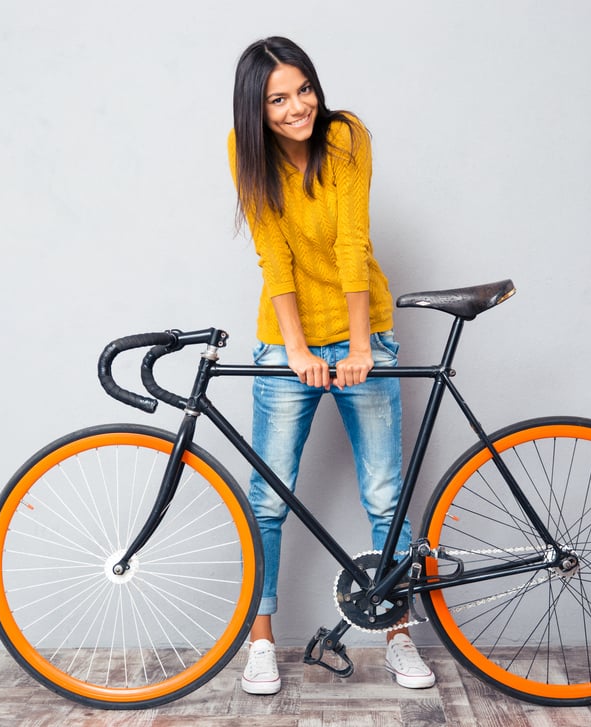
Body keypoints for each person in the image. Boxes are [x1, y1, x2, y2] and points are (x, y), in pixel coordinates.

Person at [228, 36, 435, 695]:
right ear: (255, 112)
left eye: (304, 90)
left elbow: (353, 241)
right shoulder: (244, 150)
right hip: (284, 337)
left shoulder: (346, 137)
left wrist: (359, 345)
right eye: (278, 99)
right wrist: (295, 350)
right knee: (267, 497)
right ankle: (259, 639)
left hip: (359, 329)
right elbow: (272, 255)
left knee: (385, 494)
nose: (297, 108)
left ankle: (397, 630)